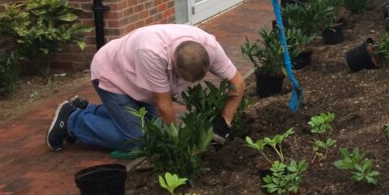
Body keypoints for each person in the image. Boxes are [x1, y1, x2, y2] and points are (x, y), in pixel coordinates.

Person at [46, 24, 245, 152]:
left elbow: (238, 83)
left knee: (152, 128)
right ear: (174, 65)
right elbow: (164, 106)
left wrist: (224, 122)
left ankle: (88, 109)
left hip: (140, 84)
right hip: (113, 76)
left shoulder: (209, 47)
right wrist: (178, 148)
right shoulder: (152, 53)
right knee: (139, 141)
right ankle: (72, 121)